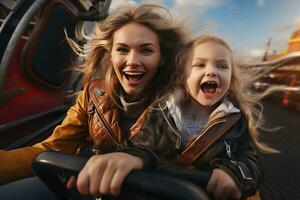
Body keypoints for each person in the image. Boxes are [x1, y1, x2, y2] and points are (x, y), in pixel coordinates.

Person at [0, 3, 187, 198]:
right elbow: (54, 147)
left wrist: (142, 161)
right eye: (122, 49)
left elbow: (192, 165)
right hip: (89, 188)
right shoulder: (93, 93)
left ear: (162, 58)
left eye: (146, 51)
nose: (132, 60)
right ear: (111, 54)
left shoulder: (183, 106)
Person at [127, 35, 281, 200]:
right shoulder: (160, 112)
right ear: (182, 77)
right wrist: (130, 157)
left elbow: (251, 162)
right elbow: (136, 145)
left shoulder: (235, 120)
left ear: (231, 79)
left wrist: (234, 173)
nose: (211, 72)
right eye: (199, 65)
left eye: (222, 67)